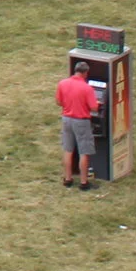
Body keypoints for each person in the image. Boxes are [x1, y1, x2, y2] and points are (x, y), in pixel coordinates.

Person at [58, 59, 101, 190]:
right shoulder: (87, 88)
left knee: (68, 150)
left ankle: (68, 179)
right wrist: (97, 104)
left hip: (66, 119)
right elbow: (94, 108)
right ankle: (83, 182)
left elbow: (58, 101)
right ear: (85, 73)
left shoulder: (62, 83)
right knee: (84, 151)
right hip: (81, 121)